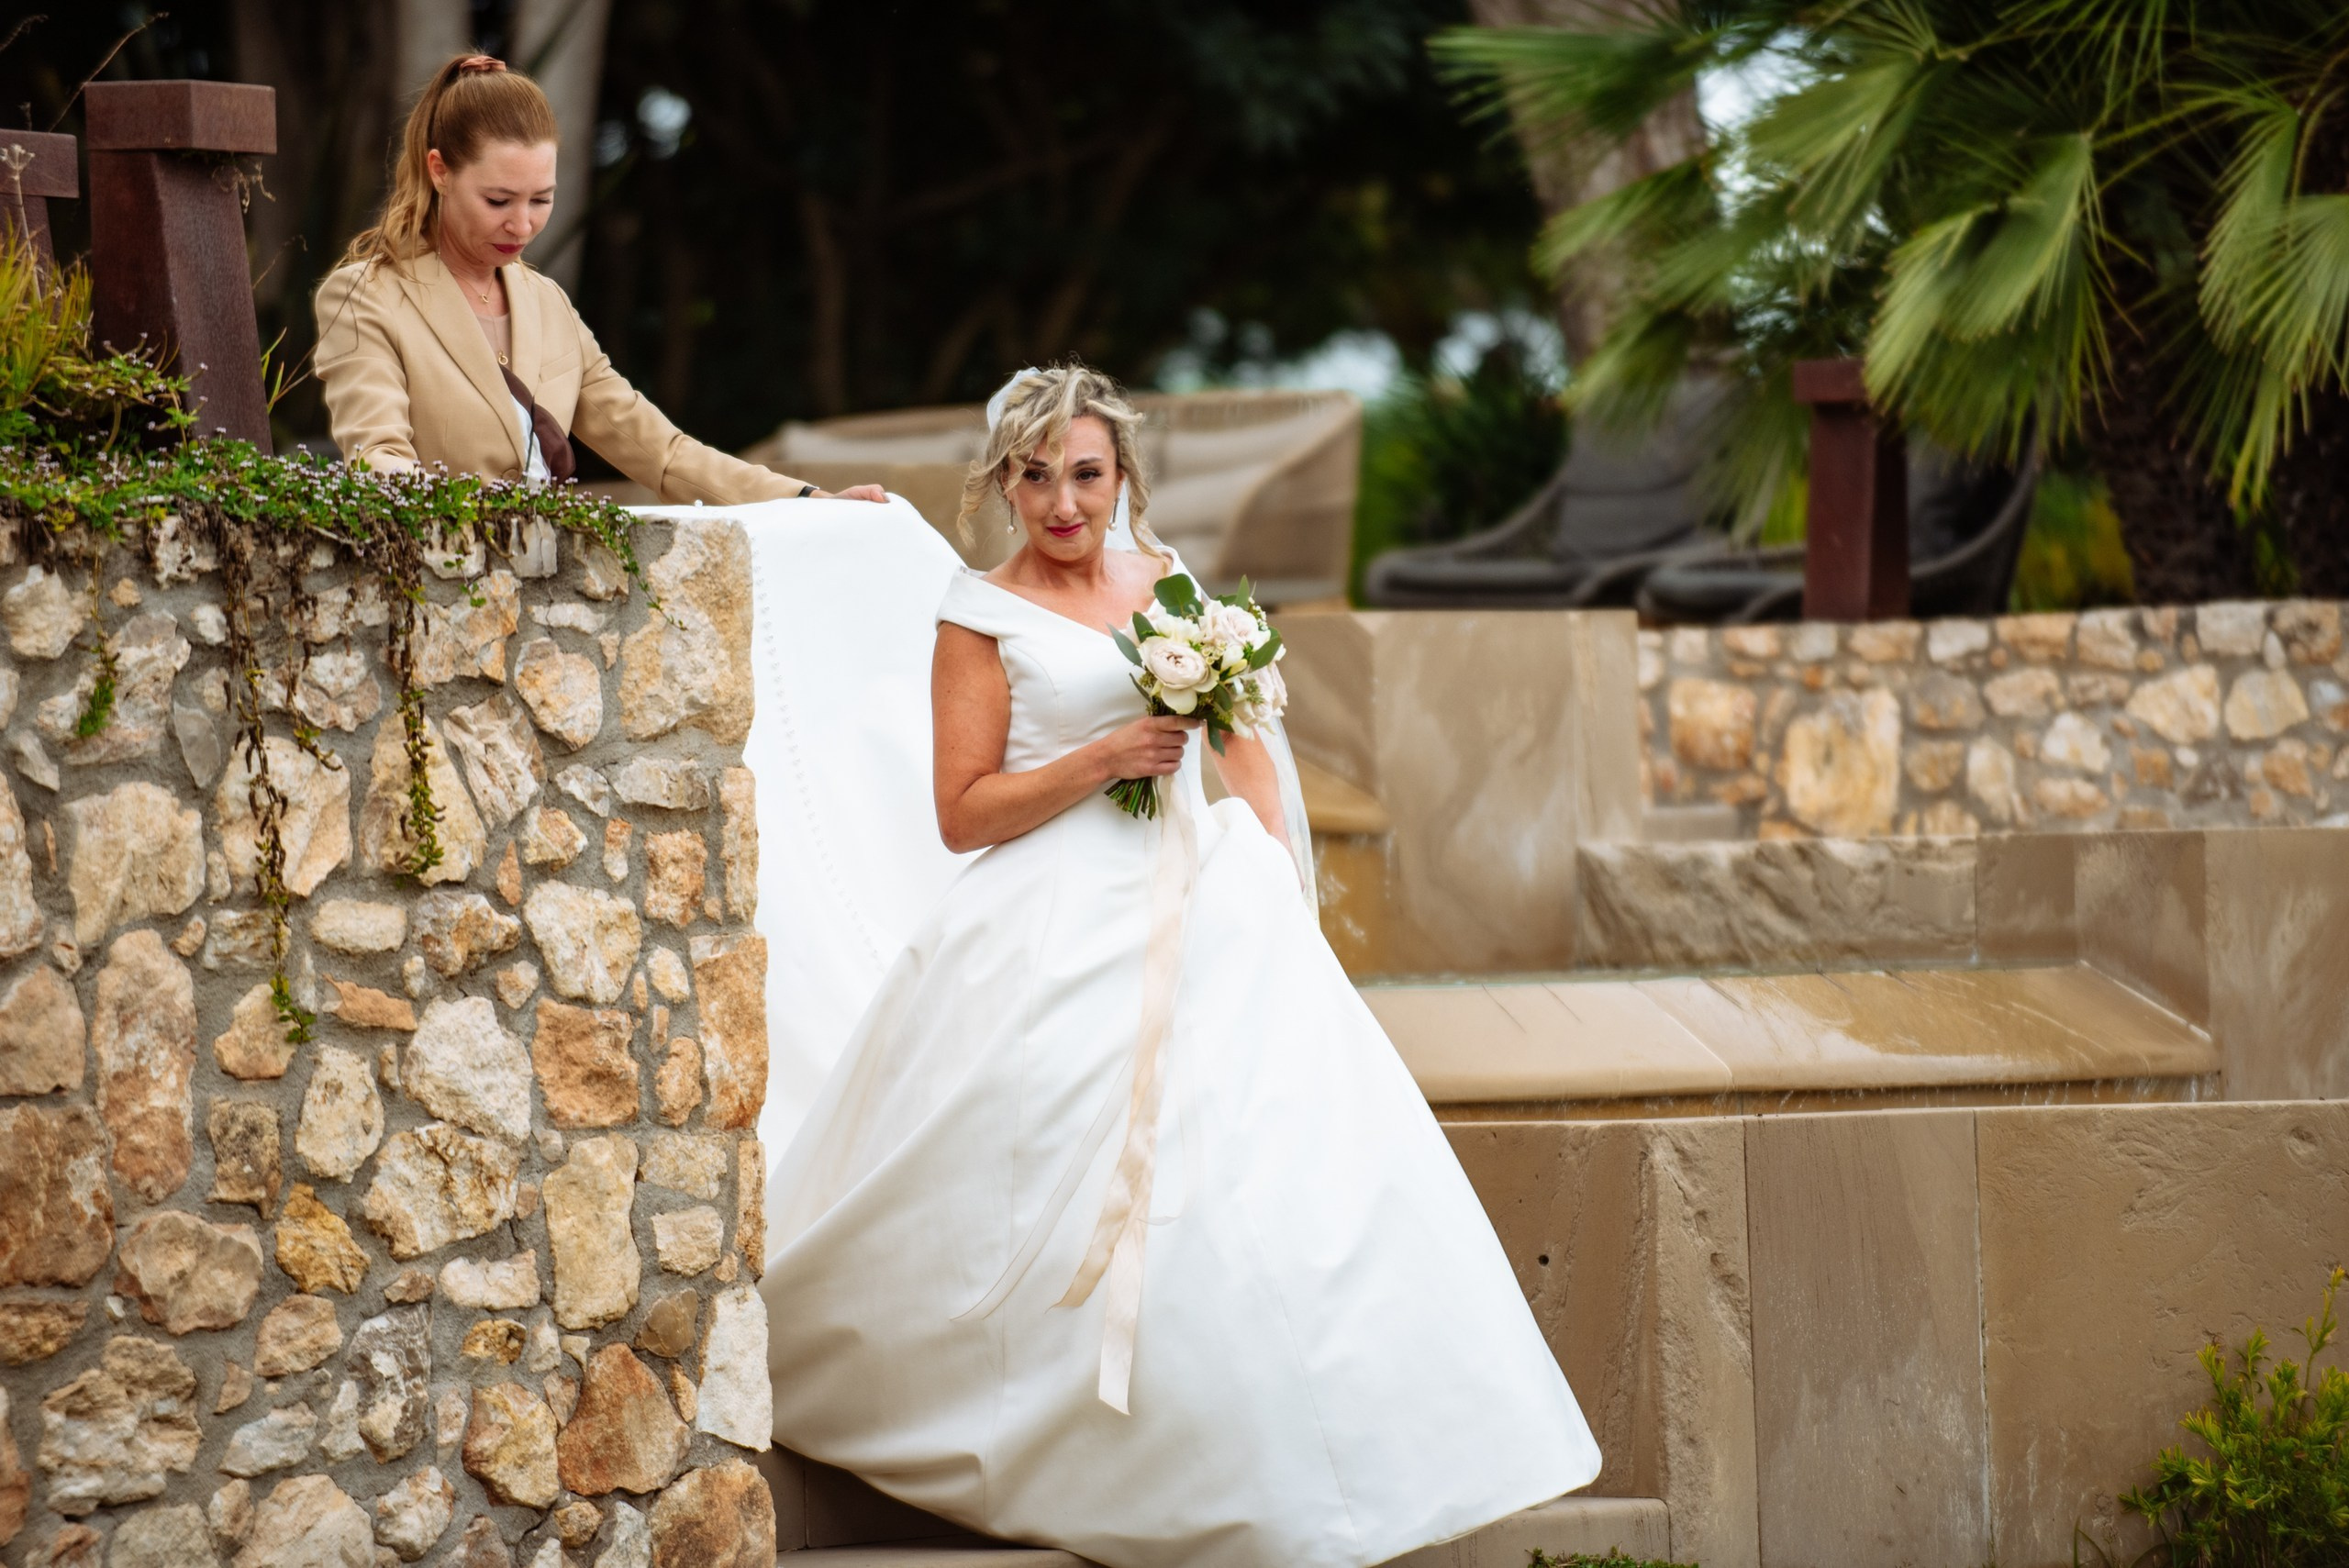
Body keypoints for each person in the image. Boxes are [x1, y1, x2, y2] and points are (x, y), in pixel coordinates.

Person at [751, 364, 1599, 1568]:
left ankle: (1297, 1454)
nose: (1062, 499)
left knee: (1272, 1182)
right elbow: (964, 810)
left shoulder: (1175, 590)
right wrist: (1102, 761)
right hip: (1049, 916)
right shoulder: (975, 612)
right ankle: (1068, 1442)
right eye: (1036, 475)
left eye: (1085, 473)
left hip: (1204, 899)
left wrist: (1267, 884)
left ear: (1122, 478)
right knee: (1044, 1163)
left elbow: (1246, 745)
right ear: (1003, 482)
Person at [313, 53, 881, 505]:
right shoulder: (365, 296)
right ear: (439, 171)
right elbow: (379, 462)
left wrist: (805, 499)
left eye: (542, 199)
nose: (523, 223)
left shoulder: (547, 304)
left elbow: (662, 452)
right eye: (498, 199)